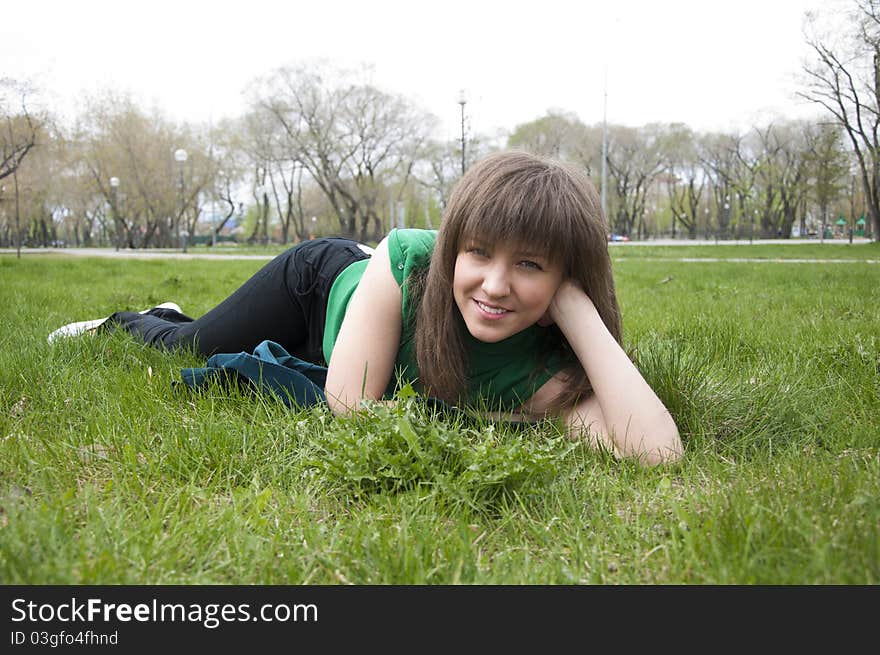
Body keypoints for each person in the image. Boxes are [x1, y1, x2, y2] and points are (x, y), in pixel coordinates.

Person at [49, 151, 682, 466]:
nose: (493, 284)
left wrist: (575, 310)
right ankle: (135, 319)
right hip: (322, 288)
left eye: (531, 264)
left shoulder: (551, 373)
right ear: (451, 250)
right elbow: (351, 409)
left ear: (568, 279)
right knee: (191, 346)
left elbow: (658, 453)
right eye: (479, 253)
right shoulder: (408, 259)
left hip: (352, 340)